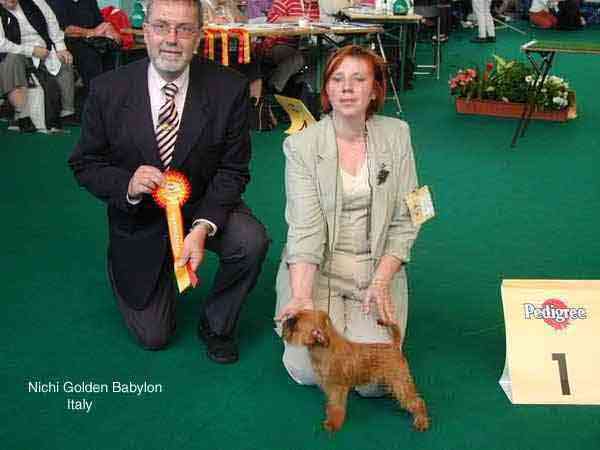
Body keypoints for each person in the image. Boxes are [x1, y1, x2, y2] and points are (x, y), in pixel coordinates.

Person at [68, 0, 269, 364]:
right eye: (161, 26)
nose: (172, 39)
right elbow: (85, 163)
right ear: (145, 32)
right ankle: (135, 266)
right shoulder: (107, 90)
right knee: (154, 337)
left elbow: (233, 170)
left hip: (201, 204)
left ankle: (217, 324)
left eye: (184, 29)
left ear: (199, 38)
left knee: (251, 241)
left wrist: (202, 228)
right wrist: (127, 184)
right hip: (138, 218)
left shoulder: (229, 89)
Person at [274, 45, 421, 394]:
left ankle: (365, 313)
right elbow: (305, 229)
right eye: (337, 79)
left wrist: (383, 280)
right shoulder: (301, 147)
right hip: (319, 269)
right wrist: (301, 296)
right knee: (310, 372)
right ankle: (289, 297)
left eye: (359, 79)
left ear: (375, 90)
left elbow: (408, 217)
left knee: (374, 382)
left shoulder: (397, 135)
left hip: (375, 271)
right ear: (326, 90)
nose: (347, 88)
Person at [0, 0, 75, 132]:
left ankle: (67, 112)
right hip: (17, 51)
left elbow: (51, 22)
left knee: (64, 59)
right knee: (12, 60)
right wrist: (32, 51)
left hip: (44, 48)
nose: (9, 1)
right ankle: (23, 115)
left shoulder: (36, 2)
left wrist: (61, 48)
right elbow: (1, 44)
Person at [48, 0, 120, 101]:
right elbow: (65, 29)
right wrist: (92, 32)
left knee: (112, 49)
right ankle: (95, 98)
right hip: (68, 41)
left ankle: (110, 94)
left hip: (92, 38)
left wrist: (110, 31)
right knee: (90, 55)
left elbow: (100, 22)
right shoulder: (57, 3)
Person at [263, 0, 319, 93]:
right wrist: (297, 19)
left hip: (300, 46)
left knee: (324, 56)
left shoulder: (313, 4)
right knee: (297, 58)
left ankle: (301, 87)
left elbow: (314, 22)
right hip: (277, 44)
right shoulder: (285, 1)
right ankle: (273, 89)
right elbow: (272, 19)